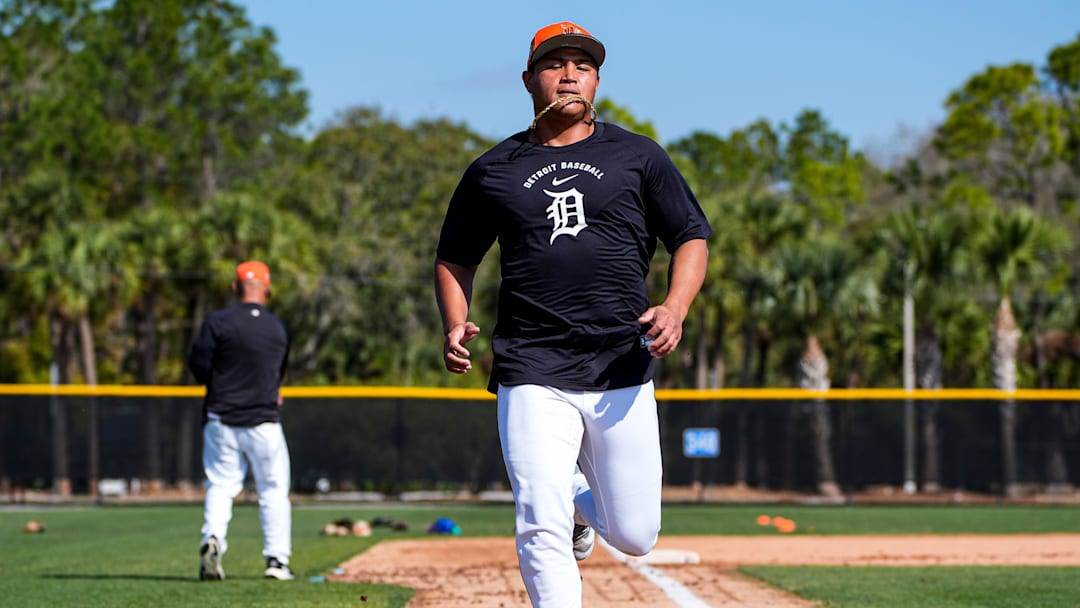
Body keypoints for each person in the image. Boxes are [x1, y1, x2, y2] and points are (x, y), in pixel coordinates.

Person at [434, 21, 711, 607]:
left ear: (597, 80)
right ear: (529, 79)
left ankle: (581, 500)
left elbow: (690, 236)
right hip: (530, 362)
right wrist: (454, 319)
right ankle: (563, 513)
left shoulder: (637, 155)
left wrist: (675, 306)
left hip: (620, 365)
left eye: (581, 66)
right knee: (539, 517)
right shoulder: (494, 168)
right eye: (554, 64)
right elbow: (455, 256)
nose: (568, 75)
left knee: (636, 535)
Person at [188, 260, 294, 581]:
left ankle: (213, 538)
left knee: (221, 485)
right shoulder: (278, 327)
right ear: (267, 289)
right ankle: (276, 561)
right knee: (273, 490)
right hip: (263, 422)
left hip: (221, 418)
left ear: (235, 288)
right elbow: (278, 375)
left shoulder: (217, 321)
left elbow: (199, 366)